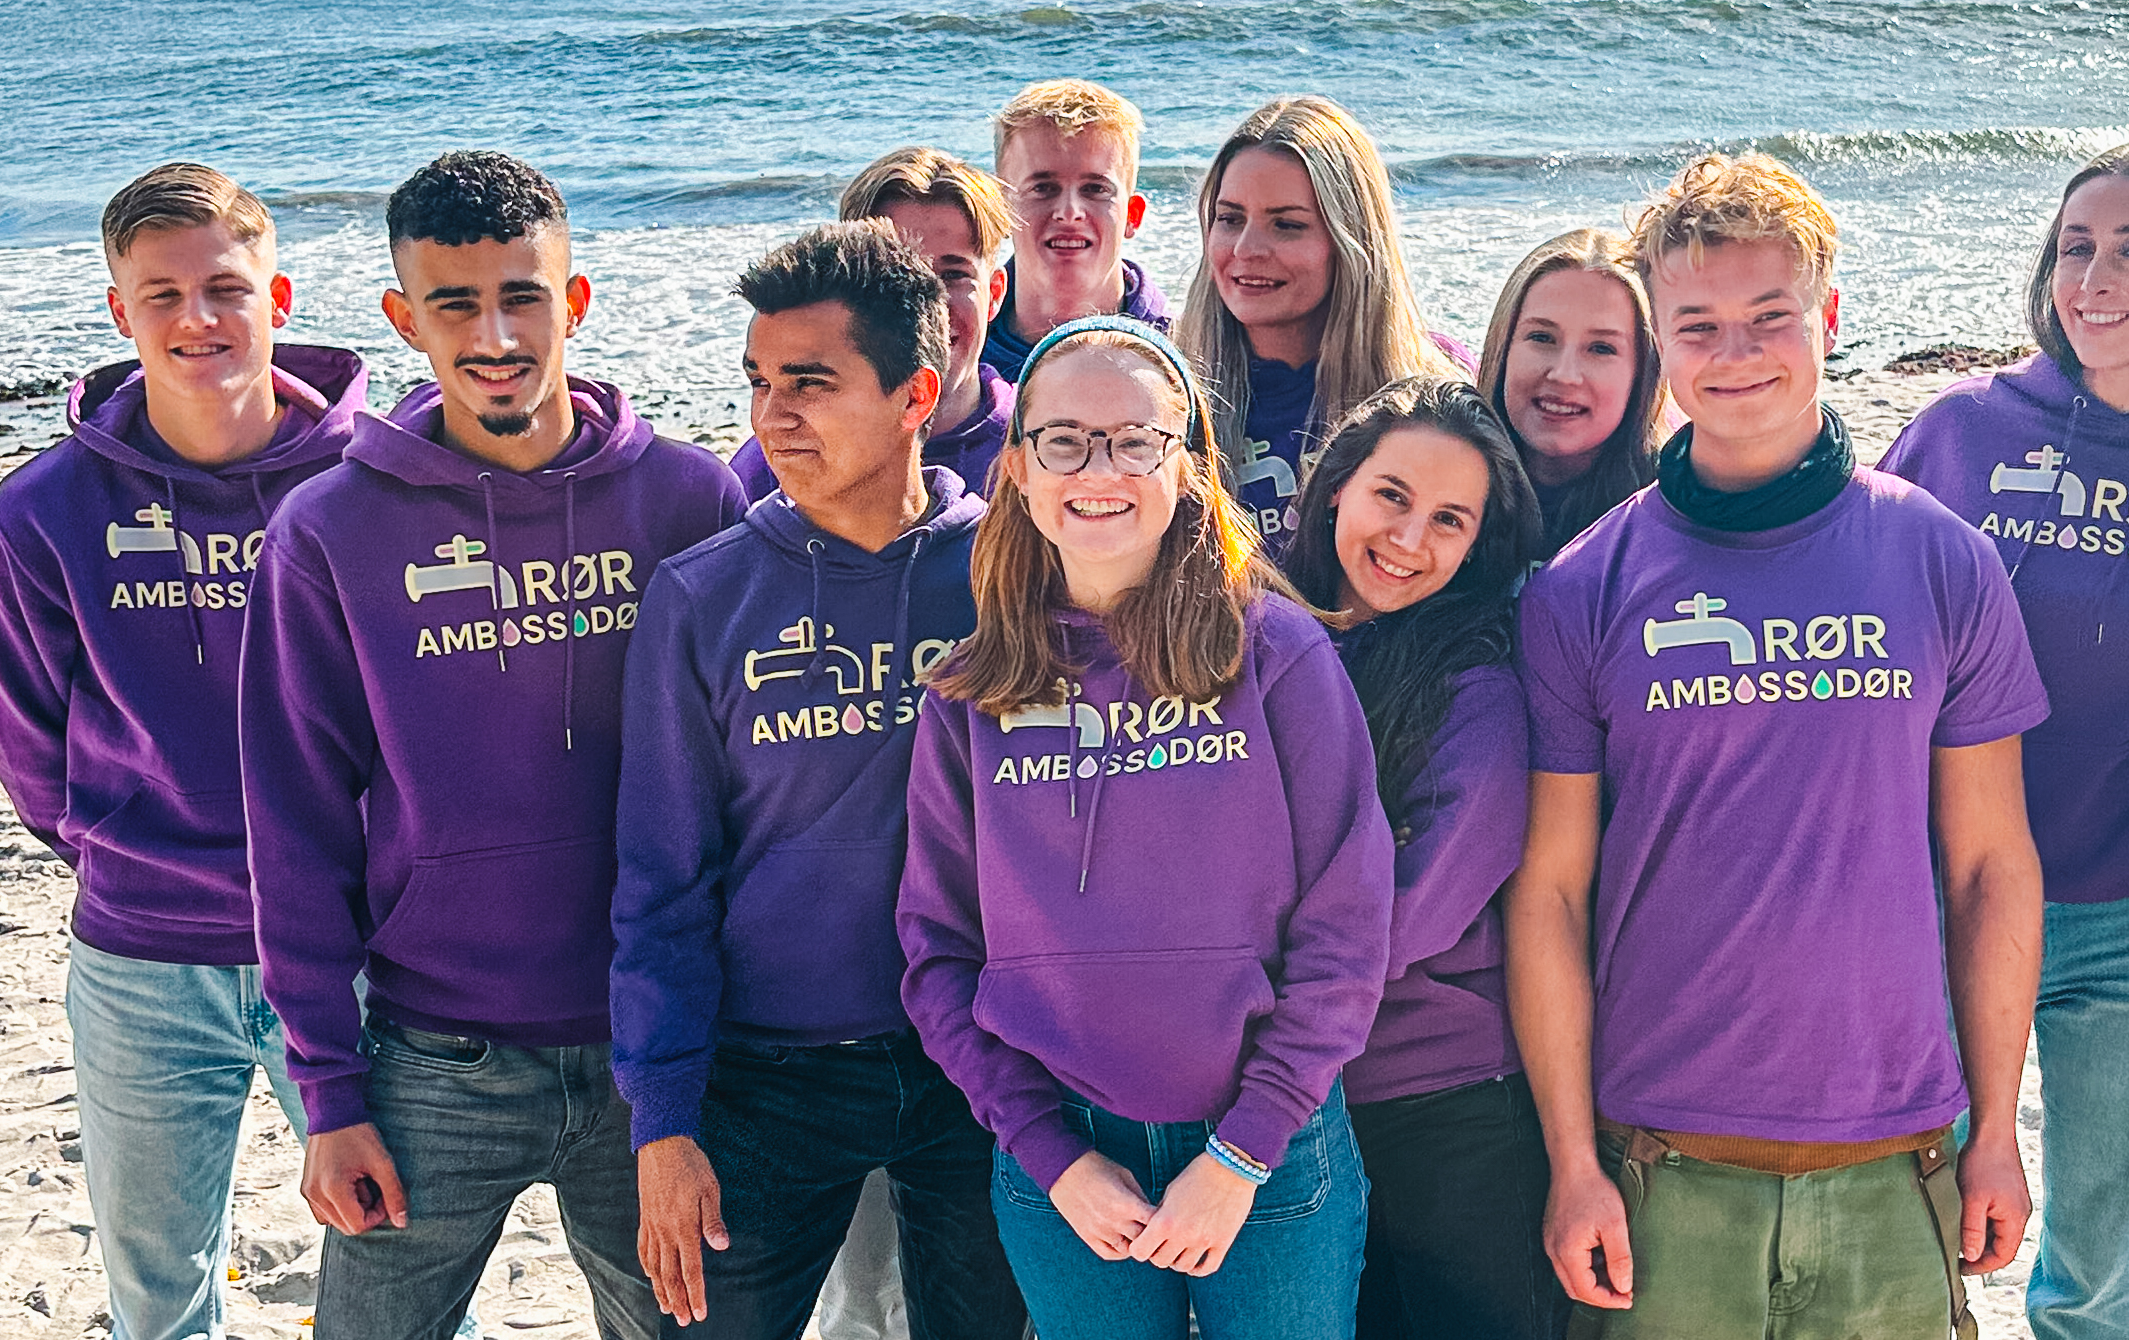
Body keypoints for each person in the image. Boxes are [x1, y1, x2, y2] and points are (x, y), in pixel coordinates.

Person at [1508, 152, 2051, 1339]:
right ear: (1658, 335)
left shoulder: (1942, 560)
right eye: (1697, 323)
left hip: (1897, 1151)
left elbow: (1990, 868)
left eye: (1771, 317)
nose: (1737, 350)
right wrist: (1571, 1161)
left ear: (1831, 319)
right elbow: (1550, 893)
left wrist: (1998, 1131)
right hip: (1660, 1156)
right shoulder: (1583, 588)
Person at [240, 150, 746, 1338]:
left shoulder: (687, 501)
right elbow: (295, 820)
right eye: (455, 304)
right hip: (432, 1059)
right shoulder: (328, 534)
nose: (494, 334)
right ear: (402, 318)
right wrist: (328, 1092)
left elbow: (754, 785)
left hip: (657, 1057)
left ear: (573, 301)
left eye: (522, 296)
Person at [896, 317, 1393, 1340]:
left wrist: (1246, 1150)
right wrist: (1049, 1152)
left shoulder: (1279, 657)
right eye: (1065, 440)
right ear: (1021, 471)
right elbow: (937, 956)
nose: (1100, 468)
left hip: (1269, 1150)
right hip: (1068, 1163)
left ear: (1189, 462)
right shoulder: (967, 699)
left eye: (1135, 440)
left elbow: (1348, 931)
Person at [610, 220, 1027, 1338]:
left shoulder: (1011, 575)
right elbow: (661, 877)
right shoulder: (701, 599)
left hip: (979, 1066)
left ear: (915, 393)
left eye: (810, 382)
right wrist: (663, 1118)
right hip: (766, 1076)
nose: (772, 414)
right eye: (757, 381)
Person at [0, 163, 364, 1340]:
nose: (198, 320)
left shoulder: (372, 479)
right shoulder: (41, 513)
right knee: (158, 1296)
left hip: (355, 951)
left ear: (279, 296)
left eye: (225, 289)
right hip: (142, 961)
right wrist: (124, 850)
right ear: (119, 313)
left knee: (393, 1274)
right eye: (162, 295)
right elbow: (28, 744)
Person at [1877, 141, 2129, 1340]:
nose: (2093, 275)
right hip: (1946, 900)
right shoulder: (1959, 432)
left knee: (2096, 1274)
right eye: (2076, 246)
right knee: (1912, 1234)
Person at [1278, 377, 1560, 1340]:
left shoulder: (1475, 683)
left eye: (1450, 519)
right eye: (1392, 496)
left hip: (1448, 1103)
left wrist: (1249, 961)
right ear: (1335, 488)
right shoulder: (1247, 635)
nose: (1408, 538)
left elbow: (1415, 909)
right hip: (1293, 1107)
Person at [1173, 95, 1468, 549]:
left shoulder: (1434, 386)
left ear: (1352, 241)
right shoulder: (1165, 391)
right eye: (1229, 219)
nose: (1246, 249)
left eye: (1286, 225)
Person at [732, 147, 1020, 501]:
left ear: (994, 294)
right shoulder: (778, 458)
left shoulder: (1039, 443)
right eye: (899, 275)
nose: (928, 304)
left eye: (953, 275)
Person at [1471, 230, 1665, 559]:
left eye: (1601, 348)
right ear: (1502, 348)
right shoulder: (1436, 486)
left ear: (1643, 371)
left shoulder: (1675, 511)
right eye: (1542, 337)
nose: (1564, 374)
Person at [982, 79, 1171, 378]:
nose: (1069, 213)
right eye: (1043, 187)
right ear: (1001, 209)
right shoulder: (959, 358)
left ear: (1132, 215)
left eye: (1095, 188)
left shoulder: (1183, 352)